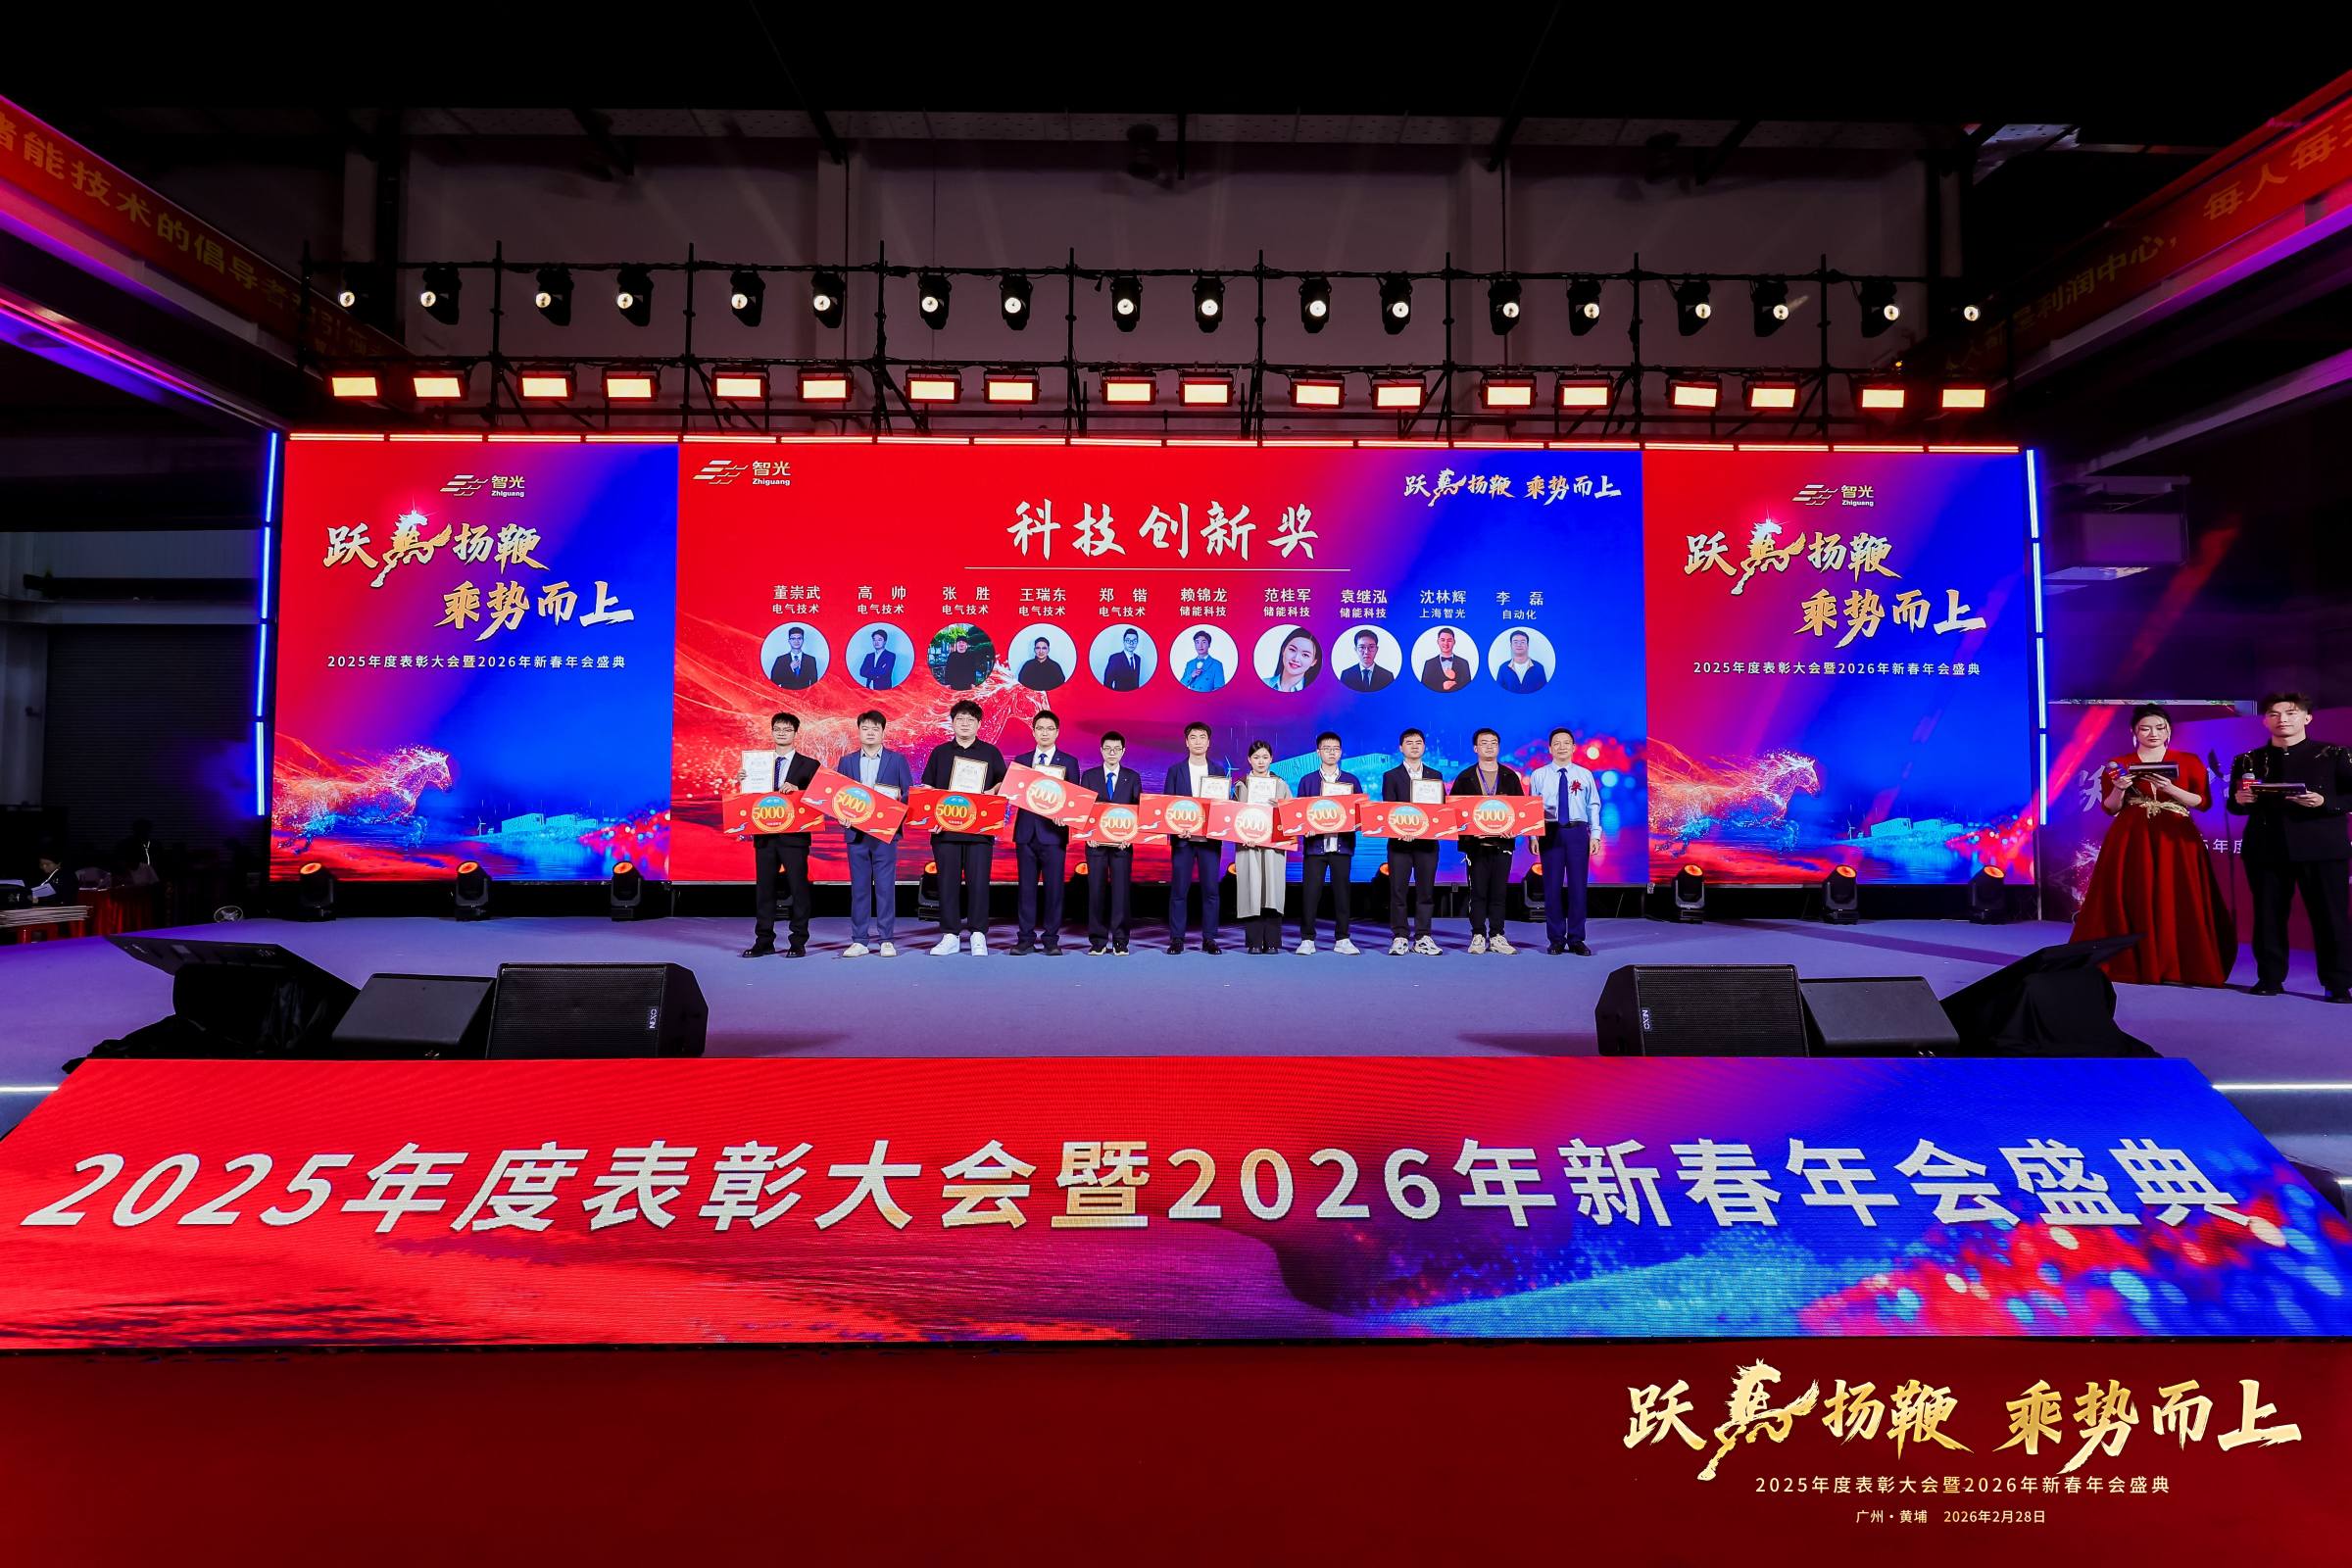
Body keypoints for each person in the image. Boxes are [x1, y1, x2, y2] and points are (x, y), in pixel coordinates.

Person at [2067, 705, 2235, 987]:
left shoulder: (2189, 760)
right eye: (2145, 728)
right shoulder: (2118, 764)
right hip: (2131, 837)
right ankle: (2133, 962)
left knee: (2178, 894)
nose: (2153, 733)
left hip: (2176, 837)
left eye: (2160, 727)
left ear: (2168, 730)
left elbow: (2202, 803)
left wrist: (2171, 789)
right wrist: (2120, 787)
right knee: (2133, 893)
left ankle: (2176, 964)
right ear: (2134, 732)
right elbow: (2110, 808)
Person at [2229, 691, 2352, 1002]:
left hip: (2322, 848)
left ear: (2307, 718)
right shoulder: (2247, 760)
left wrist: (2325, 802)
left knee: (2331, 917)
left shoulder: (2334, 754)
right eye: (2274, 713)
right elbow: (2235, 806)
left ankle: (2338, 983)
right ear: (2265, 720)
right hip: (2266, 848)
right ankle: (2270, 978)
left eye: (2291, 713)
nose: (2282, 719)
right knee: (2268, 915)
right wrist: (2240, 800)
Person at [921, 698, 1007, 955]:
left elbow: (1003, 783)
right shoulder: (940, 753)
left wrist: (992, 791)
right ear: (953, 723)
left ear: (979, 724)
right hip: (945, 831)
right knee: (947, 883)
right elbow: (928, 788)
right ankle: (950, 935)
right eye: (960, 719)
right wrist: (932, 819)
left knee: (978, 883)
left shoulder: (990, 752)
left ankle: (978, 934)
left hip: (980, 831)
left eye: (971, 720)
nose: (965, 724)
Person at [741, 711, 818, 957]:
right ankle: (764, 940)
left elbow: (819, 798)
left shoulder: (810, 765)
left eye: (787, 729)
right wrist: (743, 781)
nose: (782, 733)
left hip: (794, 837)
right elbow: (749, 798)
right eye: (778, 729)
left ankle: (798, 941)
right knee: (764, 890)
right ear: (772, 732)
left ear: (795, 733)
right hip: (764, 834)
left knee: (798, 888)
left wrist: (798, 790)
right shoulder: (757, 763)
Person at [838, 709, 913, 958]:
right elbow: (838, 795)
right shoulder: (847, 761)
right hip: (856, 834)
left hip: (885, 834)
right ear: (859, 731)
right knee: (859, 889)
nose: (870, 732)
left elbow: (908, 793)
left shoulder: (897, 760)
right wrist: (841, 815)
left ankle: (886, 939)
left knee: (885, 888)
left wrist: (895, 805)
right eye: (865, 728)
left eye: (875, 728)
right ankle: (859, 940)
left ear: (883, 732)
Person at [1526, 726, 1603, 956]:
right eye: (1557, 743)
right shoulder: (1539, 775)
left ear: (1573, 747)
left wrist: (1595, 834)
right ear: (1550, 748)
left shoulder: (1584, 774)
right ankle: (1556, 939)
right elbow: (1532, 807)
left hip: (1577, 832)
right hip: (1550, 831)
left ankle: (1577, 938)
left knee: (1578, 887)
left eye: (1566, 743)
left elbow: (1593, 805)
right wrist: (1533, 835)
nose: (1561, 747)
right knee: (1552, 887)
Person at [1008, 710, 1081, 955]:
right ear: (1033, 732)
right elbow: (1013, 794)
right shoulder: (1021, 760)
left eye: (1050, 729)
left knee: (1054, 890)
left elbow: (1074, 799)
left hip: (1053, 835)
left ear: (1057, 732)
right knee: (1026, 889)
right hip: (1026, 834)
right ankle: (1025, 939)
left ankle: (1051, 939)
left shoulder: (1069, 762)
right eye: (1040, 728)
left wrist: (1065, 814)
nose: (1045, 733)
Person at [1453, 727, 1525, 954]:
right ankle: (1477, 935)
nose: (1489, 746)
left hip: (1503, 845)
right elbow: (1454, 813)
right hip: (1476, 847)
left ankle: (1497, 935)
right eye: (1484, 743)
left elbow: (1521, 811)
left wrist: (1513, 829)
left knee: (1499, 893)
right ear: (1475, 748)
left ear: (1499, 747)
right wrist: (1469, 832)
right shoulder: (1465, 777)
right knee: (1478, 893)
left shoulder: (1510, 777)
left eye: (1493, 742)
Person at [1162, 720, 1231, 954]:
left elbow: (1223, 806)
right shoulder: (1175, 770)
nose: (1198, 741)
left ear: (1209, 742)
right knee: (1179, 891)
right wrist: (1175, 828)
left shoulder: (1218, 771)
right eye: (1193, 737)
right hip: (1183, 840)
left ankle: (1210, 938)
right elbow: (1168, 805)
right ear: (1186, 742)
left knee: (1211, 891)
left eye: (1202, 737)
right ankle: (1177, 939)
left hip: (1209, 842)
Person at [1298, 730, 1363, 956]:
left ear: (1341, 752)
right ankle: (1307, 939)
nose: (1331, 753)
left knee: (1342, 894)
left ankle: (1343, 938)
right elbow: (1300, 814)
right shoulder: (1307, 781)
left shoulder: (1351, 781)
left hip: (1341, 846)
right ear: (1318, 752)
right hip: (1315, 847)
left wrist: (1357, 822)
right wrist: (1305, 827)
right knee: (1310, 893)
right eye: (1327, 749)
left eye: (1335, 749)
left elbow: (1359, 813)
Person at [1381, 728, 1446, 956]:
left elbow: (1440, 809)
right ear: (1401, 748)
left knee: (1425, 891)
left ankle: (1423, 936)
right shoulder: (1391, 776)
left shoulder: (1435, 775)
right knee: (1398, 891)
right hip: (1400, 843)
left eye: (1419, 742)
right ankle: (1400, 936)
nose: (1415, 746)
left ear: (1424, 747)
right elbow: (1389, 808)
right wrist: (1402, 829)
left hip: (1427, 843)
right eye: (1409, 742)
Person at [1081, 731, 1141, 954]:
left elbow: (1138, 811)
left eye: (1116, 749)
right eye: (1107, 748)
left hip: (1122, 846)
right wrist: (1088, 835)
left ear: (1123, 751)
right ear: (1101, 750)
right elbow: (1083, 810)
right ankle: (1097, 941)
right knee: (1096, 893)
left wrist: (1130, 836)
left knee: (1121, 893)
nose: (1112, 753)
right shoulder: (1089, 776)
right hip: (1095, 845)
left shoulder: (1132, 777)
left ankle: (1120, 941)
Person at [1233, 742, 1294, 954]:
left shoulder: (1280, 784)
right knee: (1252, 889)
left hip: (1274, 845)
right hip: (1248, 845)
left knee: (1272, 890)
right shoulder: (1241, 785)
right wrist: (1243, 835)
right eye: (1256, 757)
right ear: (1249, 760)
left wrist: (1282, 807)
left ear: (1271, 759)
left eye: (1265, 757)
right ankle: (1254, 942)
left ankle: (1273, 942)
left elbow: (1292, 816)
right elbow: (1232, 816)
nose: (1261, 761)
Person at [1340, 629, 1395, 693]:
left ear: (1376, 649)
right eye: (1362, 647)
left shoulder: (1387, 676)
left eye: (1371, 647)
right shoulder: (1346, 675)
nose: (1366, 652)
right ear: (1356, 649)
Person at [1419, 627, 1473, 693]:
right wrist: (1441, 686)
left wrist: (1455, 680)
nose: (1446, 643)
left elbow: (1469, 688)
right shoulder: (1429, 664)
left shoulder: (1464, 663)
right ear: (1438, 642)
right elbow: (1423, 688)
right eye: (1443, 640)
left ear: (1454, 642)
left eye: (1449, 640)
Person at [768, 626, 821, 690]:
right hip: (785, 695)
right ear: (789, 641)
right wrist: (790, 668)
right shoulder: (780, 660)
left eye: (799, 638)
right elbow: (774, 682)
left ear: (803, 640)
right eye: (793, 639)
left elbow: (814, 684)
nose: (796, 641)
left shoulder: (811, 660)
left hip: (804, 695)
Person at [1269, 628, 1320, 693]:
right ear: (1283, 650)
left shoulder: (1316, 694)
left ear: (1314, 662)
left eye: (1305, 655)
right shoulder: (1263, 683)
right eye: (1292, 650)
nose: (1296, 659)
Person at [1496, 631, 1547, 695]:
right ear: (1511, 646)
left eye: (1522, 642)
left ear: (1527, 645)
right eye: (1515, 642)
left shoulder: (1539, 668)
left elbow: (1544, 693)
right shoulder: (1503, 668)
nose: (1519, 645)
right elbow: (1499, 693)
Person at [1102, 628, 1145, 692]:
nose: (1131, 643)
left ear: (1137, 642)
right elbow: (1107, 684)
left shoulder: (1138, 658)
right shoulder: (1115, 658)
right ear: (1124, 641)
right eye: (1128, 640)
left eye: (1134, 640)